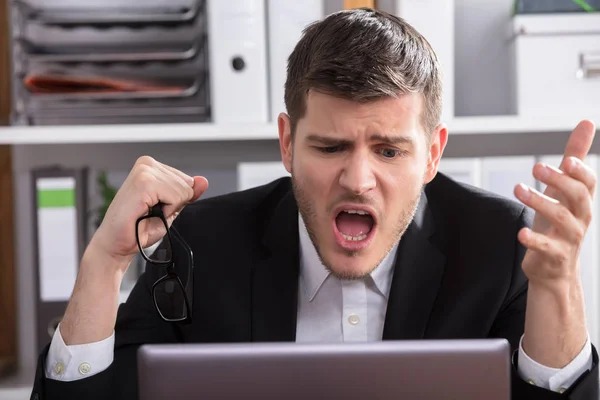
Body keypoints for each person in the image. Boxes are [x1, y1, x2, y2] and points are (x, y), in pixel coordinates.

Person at [31, 8, 598, 400]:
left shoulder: (503, 245)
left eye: (389, 150)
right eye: (330, 146)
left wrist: (558, 287)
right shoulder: (199, 243)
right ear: (286, 143)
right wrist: (102, 264)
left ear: (432, 155)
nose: (358, 179)